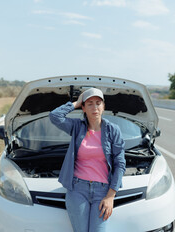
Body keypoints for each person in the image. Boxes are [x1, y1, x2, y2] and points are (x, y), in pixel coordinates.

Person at [49, 88, 126, 232]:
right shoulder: (77, 127)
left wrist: (110, 196)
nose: (94, 107)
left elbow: (120, 163)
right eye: (89, 103)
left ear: (103, 106)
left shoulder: (113, 130)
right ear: (83, 108)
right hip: (78, 189)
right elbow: (55, 116)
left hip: (102, 192)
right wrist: (76, 103)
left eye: (98, 103)